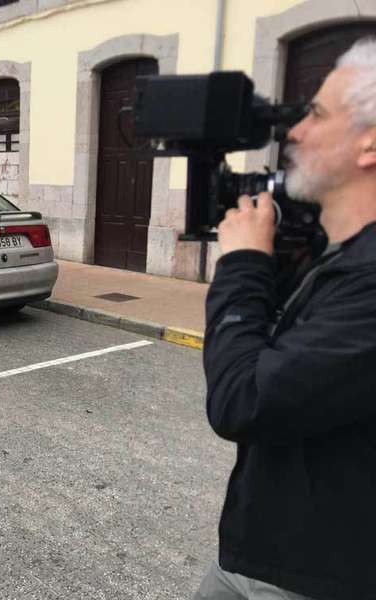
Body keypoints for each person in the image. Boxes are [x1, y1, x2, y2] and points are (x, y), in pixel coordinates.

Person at [195, 38, 376, 600]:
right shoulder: (337, 253)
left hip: (317, 575)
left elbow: (242, 401)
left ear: (370, 143)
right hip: (259, 551)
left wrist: (244, 264)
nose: (293, 133)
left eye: (317, 114)